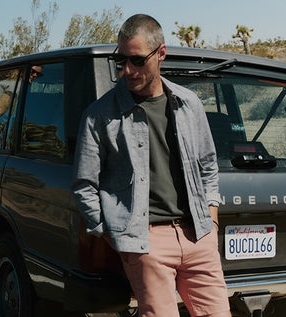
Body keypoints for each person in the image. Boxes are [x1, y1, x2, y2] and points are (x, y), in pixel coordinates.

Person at [72, 14, 231, 317]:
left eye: (137, 60)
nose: (128, 70)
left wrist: (211, 221)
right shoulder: (99, 115)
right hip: (145, 243)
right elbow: (84, 184)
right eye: (121, 61)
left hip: (199, 235)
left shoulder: (188, 103)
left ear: (161, 54)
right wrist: (115, 236)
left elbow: (208, 165)